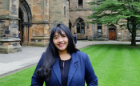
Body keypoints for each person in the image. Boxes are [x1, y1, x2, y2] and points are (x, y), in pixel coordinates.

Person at [31, 24, 98, 86]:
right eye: (56, 37)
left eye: (63, 36)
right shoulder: (46, 57)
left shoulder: (82, 57)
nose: (60, 40)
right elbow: (36, 82)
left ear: (69, 37)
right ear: (52, 40)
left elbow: (93, 81)